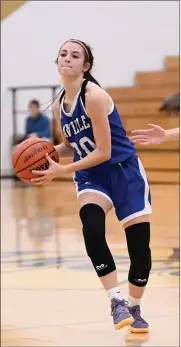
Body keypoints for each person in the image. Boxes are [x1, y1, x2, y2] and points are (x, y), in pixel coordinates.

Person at [31, 39, 152, 333]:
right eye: (63, 54)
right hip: (92, 177)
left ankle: (134, 307)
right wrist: (41, 151)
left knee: (141, 254)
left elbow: (103, 151)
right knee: (92, 230)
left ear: (85, 66)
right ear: (57, 62)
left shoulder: (95, 96)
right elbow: (73, 145)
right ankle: (116, 301)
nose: (67, 59)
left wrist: (63, 169)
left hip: (124, 173)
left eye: (75, 55)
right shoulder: (62, 103)